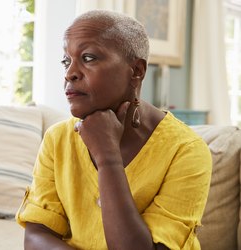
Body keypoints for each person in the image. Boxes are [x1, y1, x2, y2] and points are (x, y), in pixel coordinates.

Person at [16, 9, 212, 250]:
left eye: (88, 58)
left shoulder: (187, 151)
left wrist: (108, 158)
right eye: (66, 60)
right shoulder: (57, 139)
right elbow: (36, 237)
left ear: (136, 71)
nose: (69, 73)